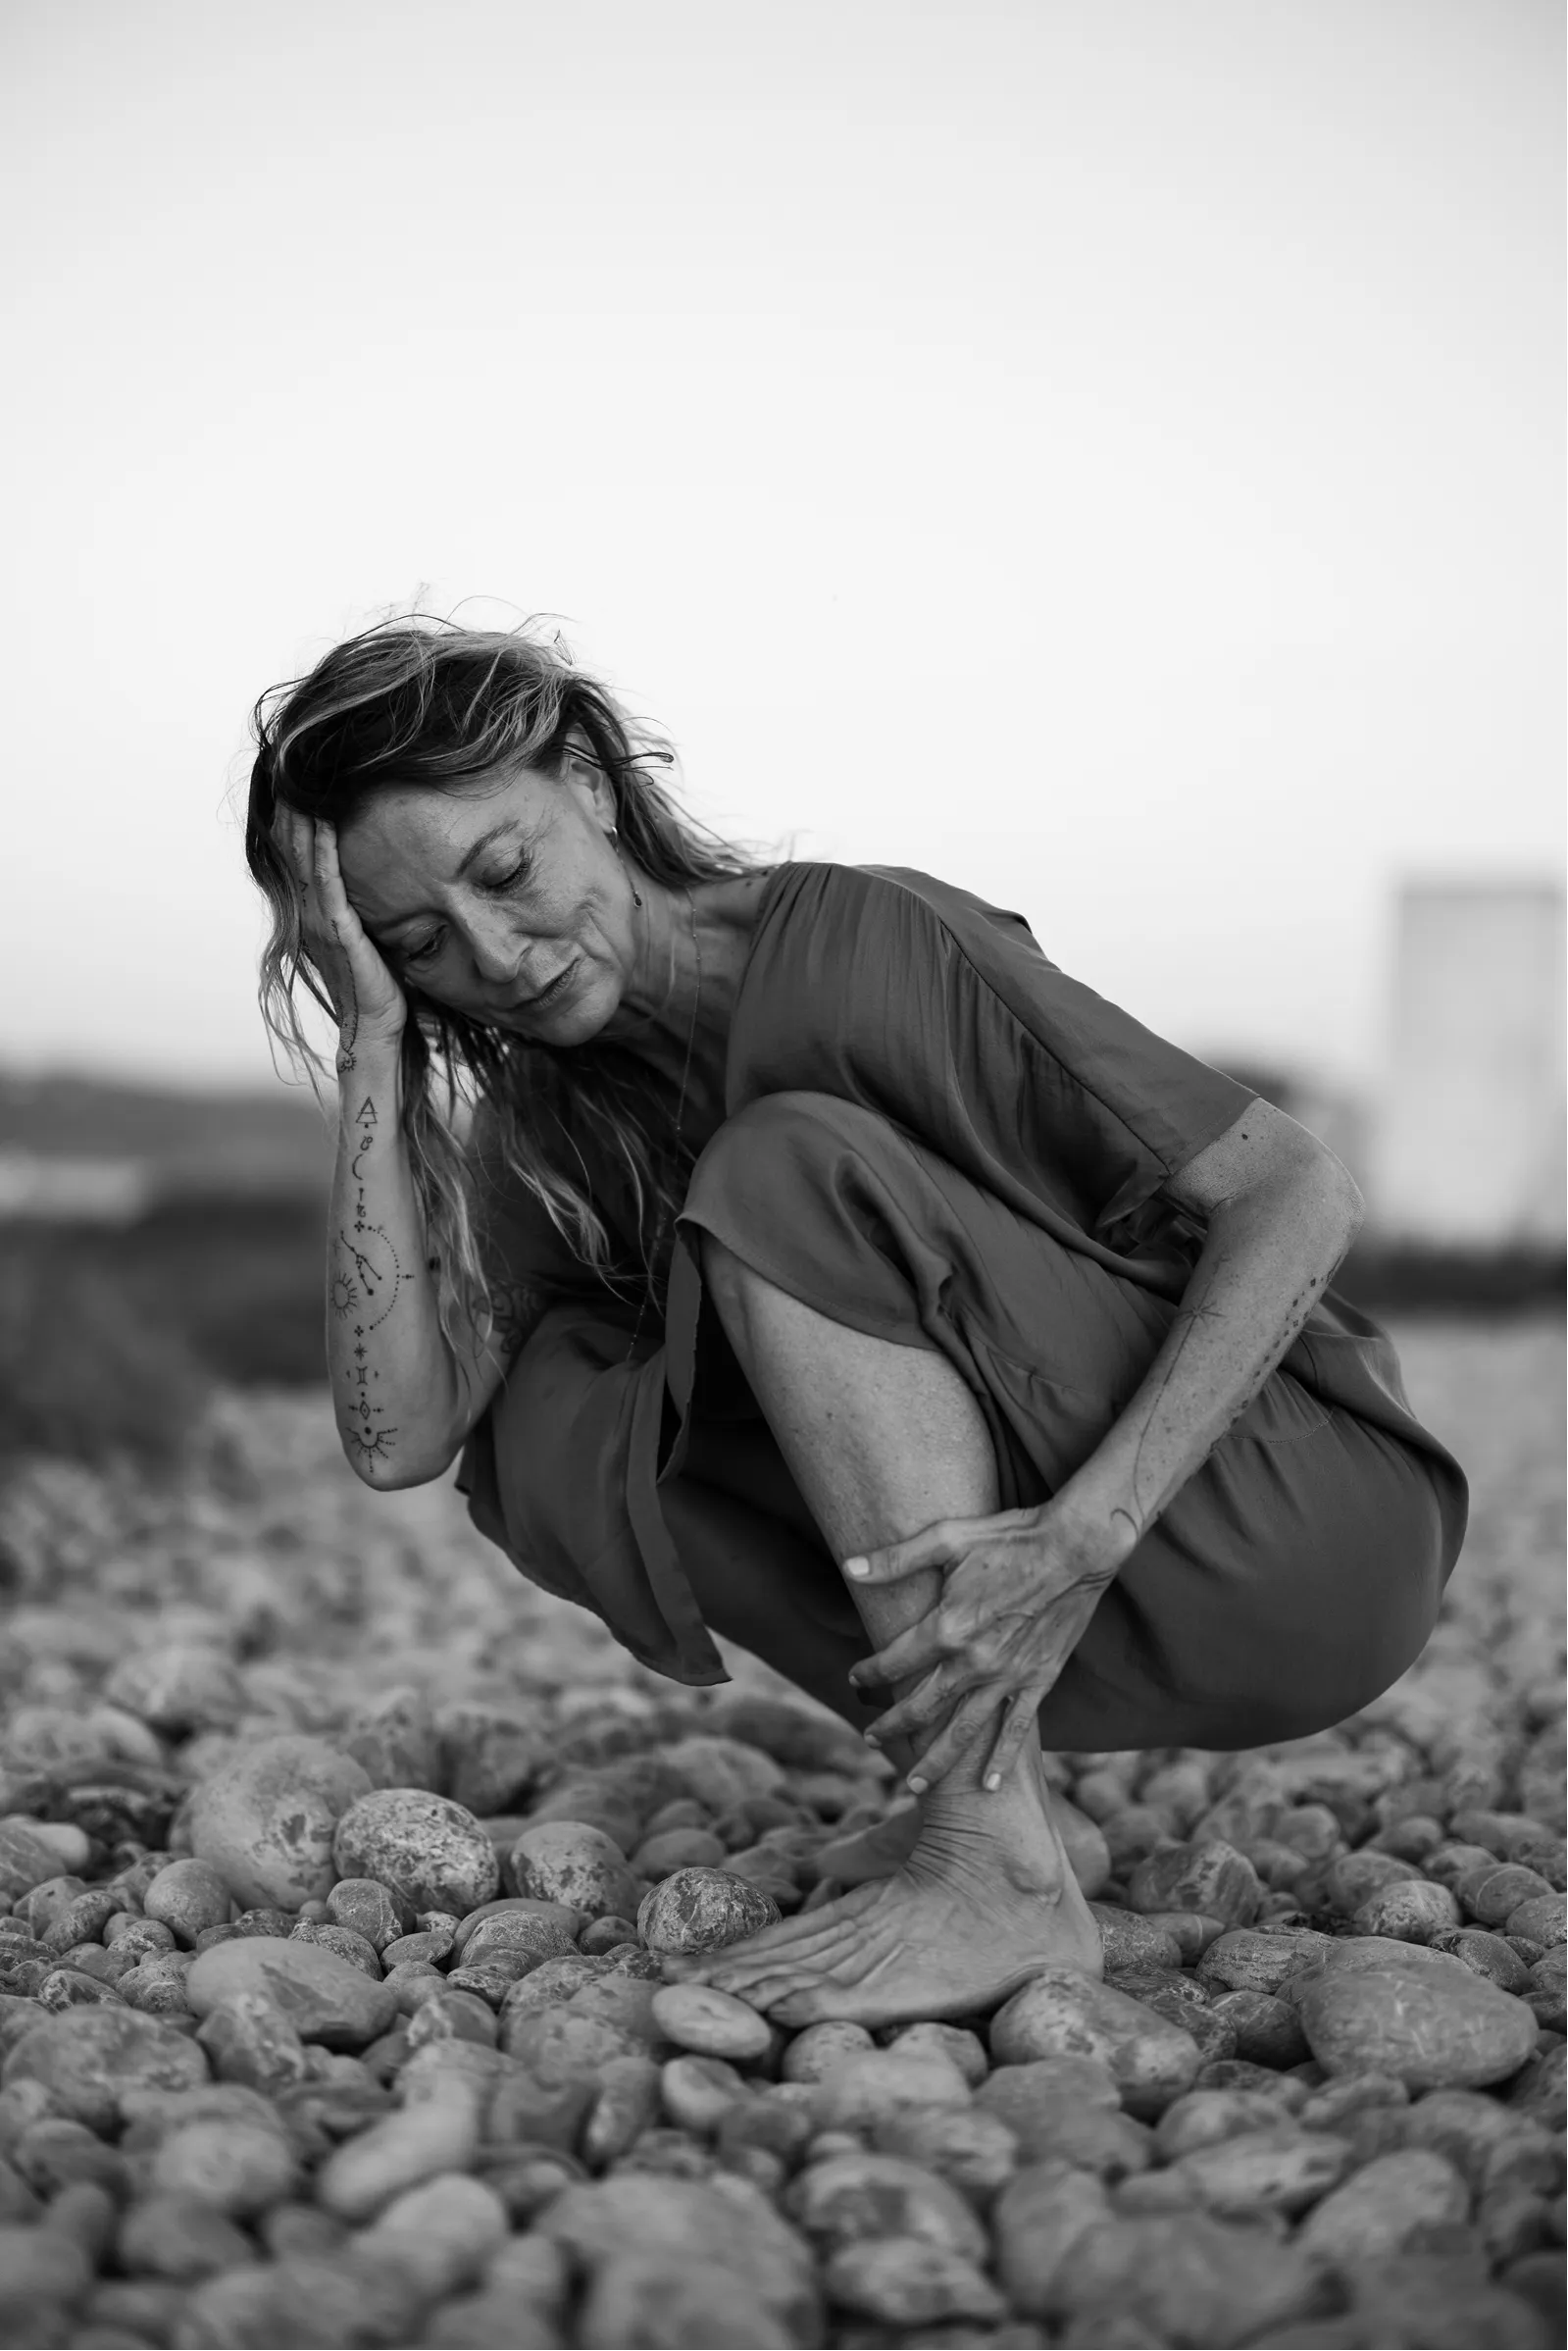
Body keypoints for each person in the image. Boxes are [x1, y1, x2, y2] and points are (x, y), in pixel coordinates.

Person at [246, 616, 1467, 2027]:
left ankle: (982, 1869)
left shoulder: (861, 942)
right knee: (546, 1410)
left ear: (585, 780)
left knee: (779, 1171)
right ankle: (1001, 1824)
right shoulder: (541, 1128)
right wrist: (376, 1051)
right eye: (420, 944)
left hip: (1284, 1526)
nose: (497, 954)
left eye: (505, 873)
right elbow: (400, 1439)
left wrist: (1091, 1529)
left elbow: (1295, 1188)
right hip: (1083, 1617)